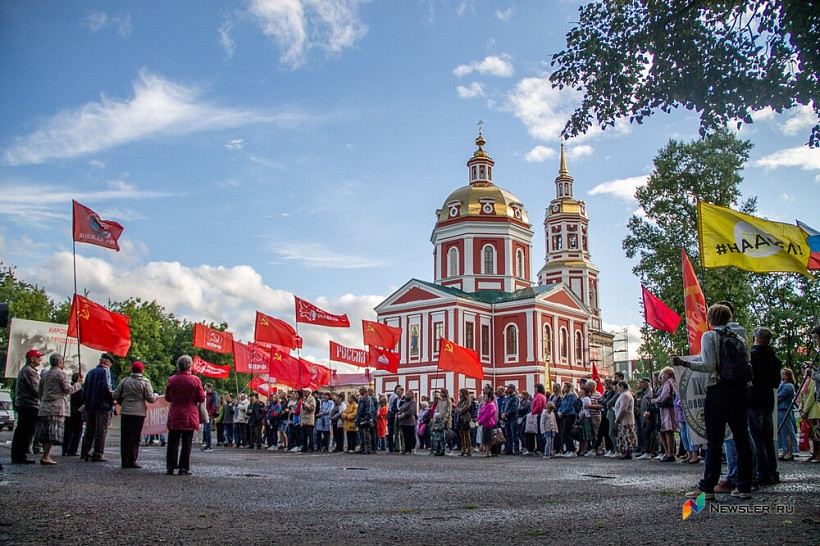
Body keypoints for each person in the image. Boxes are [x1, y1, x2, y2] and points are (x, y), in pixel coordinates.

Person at [681, 303, 754, 501]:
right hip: (740, 390)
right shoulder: (739, 337)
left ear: (711, 319)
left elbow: (708, 365)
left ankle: (708, 487)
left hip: (719, 390)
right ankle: (744, 485)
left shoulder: (710, 336)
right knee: (742, 439)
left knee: (714, 441)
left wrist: (685, 363)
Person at [748, 327, 782, 483]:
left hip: (754, 399)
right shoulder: (774, 359)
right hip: (768, 400)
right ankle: (773, 471)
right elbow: (776, 383)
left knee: (756, 438)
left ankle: (762, 472)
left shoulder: (751, 356)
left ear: (757, 338)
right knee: (768, 438)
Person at [36, 353, 81, 465]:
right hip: (56, 407)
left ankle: (45, 455)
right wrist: (78, 384)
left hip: (45, 406)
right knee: (51, 433)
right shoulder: (61, 374)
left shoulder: (45, 374)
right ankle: (46, 456)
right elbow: (68, 390)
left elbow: (40, 390)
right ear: (59, 362)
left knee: (45, 432)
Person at [165, 355, 206, 475]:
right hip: (190, 413)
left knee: (173, 442)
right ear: (190, 365)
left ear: (178, 365)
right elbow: (201, 397)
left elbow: (168, 397)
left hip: (175, 413)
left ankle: (170, 466)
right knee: (187, 443)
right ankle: (184, 467)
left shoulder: (172, 379)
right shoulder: (195, 380)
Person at [114, 361, 157, 468]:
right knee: (135, 437)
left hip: (125, 411)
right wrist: (156, 395)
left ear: (131, 369)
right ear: (142, 370)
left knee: (125, 436)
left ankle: (124, 460)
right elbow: (150, 398)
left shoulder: (125, 381)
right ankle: (132, 460)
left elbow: (115, 394)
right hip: (139, 412)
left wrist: (122, 401)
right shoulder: (145, 382)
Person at [81, 353, 116, 462]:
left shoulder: (90, 373)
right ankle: (98, 453)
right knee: (101, 430)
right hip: (102, 405)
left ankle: (85, 452)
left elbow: (85, 389)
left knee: (89, 430)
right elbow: (107, 388)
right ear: (107, 363)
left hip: (90, 405)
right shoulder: (106, 372)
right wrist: (113, 400)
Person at [11, 349, 43, 464]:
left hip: (25, 404)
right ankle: (21, 455)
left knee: (22, 430)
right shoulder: (29, 371)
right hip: (29, 405)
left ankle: (19, 454)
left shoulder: (26, 370)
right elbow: (36, 389)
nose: (40, 359)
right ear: (32, 359)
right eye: (38, 357)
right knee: (26, 431)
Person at [650, 366, 679, 462]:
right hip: (666, 409)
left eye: (664, 374)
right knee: (664, 431)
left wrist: (655, 400)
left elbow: (664, 397)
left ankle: (669, 453)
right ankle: (668, 452)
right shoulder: (670, 383)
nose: (662, 376)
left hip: (667, 409)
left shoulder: (668, 383)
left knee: (667, 430)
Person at [62, 372, 85, 457]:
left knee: (67, 431)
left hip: (68, 411)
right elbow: (82, 399)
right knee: (77, 431)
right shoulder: (79, 389)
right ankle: (72, 450)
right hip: (77, 412)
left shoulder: (69, 386)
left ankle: (65, 449)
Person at [777, 368, 797, 461]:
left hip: (784, 410)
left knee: (787, 430)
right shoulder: (782, 385)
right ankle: (785, 449)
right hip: (780, 409)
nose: (782, 376)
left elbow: (779, 397)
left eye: (784, 374)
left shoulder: (788, 386)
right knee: (782, 432)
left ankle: (790, 451)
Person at [614, 381, 637, 459]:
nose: (617, 389)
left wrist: (618, 418)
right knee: (623, 435)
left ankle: (628, 451)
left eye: (618, 387)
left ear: (622, 387)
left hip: (626, 419)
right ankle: (625, 451)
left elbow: (623, 408)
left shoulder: (625, 395)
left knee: (627, 436)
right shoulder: (623, 395)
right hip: (623, 419)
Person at [557, 382, 578, 457]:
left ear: (569, 388)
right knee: (564, 433)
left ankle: (572, 450)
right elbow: (562, 405)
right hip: (564, 415)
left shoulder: (572, 396)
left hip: (570, 415)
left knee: (567, 432)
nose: (564, 388)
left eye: (565, 387)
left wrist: (562, 412)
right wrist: (559, 411)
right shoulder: (565, 396)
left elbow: (569, 406)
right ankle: (568, 449)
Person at [355, 386, 377, 454]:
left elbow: (369, 409)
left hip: (365, 419)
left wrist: (367, 418)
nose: (359, 391)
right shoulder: (362, 398)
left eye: (360, 390)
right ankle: (363, 447)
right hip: (361, 419)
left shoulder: (368, 399)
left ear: (364, 391)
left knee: (366, 435)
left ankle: (368, 449)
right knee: (362, 434)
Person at [396, 390, 418, 454]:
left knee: (410, 436)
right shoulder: (405, 402)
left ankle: (410, 449)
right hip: (403, 422)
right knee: (405, 436)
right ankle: (406, 449)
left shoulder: (412, 402)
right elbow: (401, 409)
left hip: (410, 422)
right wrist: (399, 414)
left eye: (407, 394)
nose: (406, 395)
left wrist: (403, 415)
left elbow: (411, 411)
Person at [477, 391, 497, 458]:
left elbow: (487, 415)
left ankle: (488, 451)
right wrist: (478, 419)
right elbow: (481, 413)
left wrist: (481, 421)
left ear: (489, 398)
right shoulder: (485, 405)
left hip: (488, 423)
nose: (484, 398)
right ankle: (486, 451)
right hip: (484, 423)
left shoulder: (491, 405)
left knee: (488, 439)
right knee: (484, 438)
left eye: (485, 397)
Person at [501, 383, 520, 455]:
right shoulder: (507, 398)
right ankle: (509, 448)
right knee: (507, 434)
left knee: (514, 434)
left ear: (512, 389)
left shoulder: (515, 398)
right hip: (506, 419)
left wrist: (506, 414)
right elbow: (503, 406)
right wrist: (502, 413)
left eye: (508, 388)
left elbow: (514, 408)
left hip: (513, 418)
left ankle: (516, 449)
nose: (507, 389)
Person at [454, 388, 473, 456]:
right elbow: (456, 409)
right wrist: (459, 410)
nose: (459, 394)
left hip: (466, 419)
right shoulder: (460, 401)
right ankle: (463, 449)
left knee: (467, 434)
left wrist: (459, 410)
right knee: (461, 435)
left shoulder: (468, 401)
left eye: (461, 392)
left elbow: (464, 409)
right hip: (460, 419)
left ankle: (469, 449)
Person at [202, 383, 219, 451]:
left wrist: (210, 413)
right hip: (206, 413)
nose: (205, 389)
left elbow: (214, 405)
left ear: (210, 388)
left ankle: (208, 445)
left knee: (207, 429)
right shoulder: (207, 395)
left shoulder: (214, 395)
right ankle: (207, 444)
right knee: (206, 429)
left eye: (206, 388)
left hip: (209, 414)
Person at [387, 385, 404, 452]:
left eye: (399, 391)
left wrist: (398, 410)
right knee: (396, 433)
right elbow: (393, 408)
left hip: (402, 417)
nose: (397, 392)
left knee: (402, 433)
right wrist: (397, 409)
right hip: (395, 416)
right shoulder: (396, 399)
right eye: (397, 391)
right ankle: (397, 447)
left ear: (402, 391)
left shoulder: (404, 399)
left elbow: (404, 408)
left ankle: (403, 447)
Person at [300, 388, 316, 453]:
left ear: (309, 392)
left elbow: (312, 408)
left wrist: (305, 405)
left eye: (305, 392)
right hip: (304, 420)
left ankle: (311, 447)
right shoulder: (304, 399)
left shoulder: (312, 399)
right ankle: (305, 446)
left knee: (310, 434)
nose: (304, 393)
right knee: (304, 435)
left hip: (309, 419)